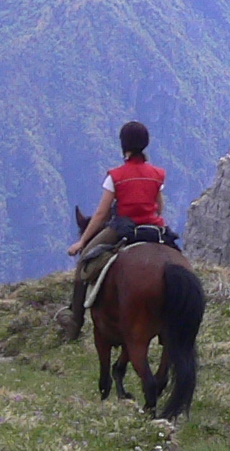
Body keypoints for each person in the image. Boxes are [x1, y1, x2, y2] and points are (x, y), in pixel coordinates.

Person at [65, 120, 171, 336]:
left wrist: (82, 242)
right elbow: (159, 208)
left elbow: (101, 214)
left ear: (124, 145)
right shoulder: (157, 173)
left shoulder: (115, 176)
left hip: (123, 228)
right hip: (152, 228)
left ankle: (75, 321)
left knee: (84, 261)